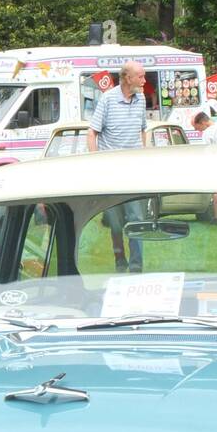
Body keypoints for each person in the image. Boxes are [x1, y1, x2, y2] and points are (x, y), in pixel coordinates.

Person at [87, 59, 147, 272]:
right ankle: (120, 261)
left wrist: (144, 155)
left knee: (137, 219)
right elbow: (92, 132)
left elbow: (142, 130)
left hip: (134, 171)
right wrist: (96, 162)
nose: (144, 80)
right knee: (115, 222)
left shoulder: (141, 99)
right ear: (127, 78)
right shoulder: (108, 99)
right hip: (110, 172)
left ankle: (137, 266)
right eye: (140, 76)